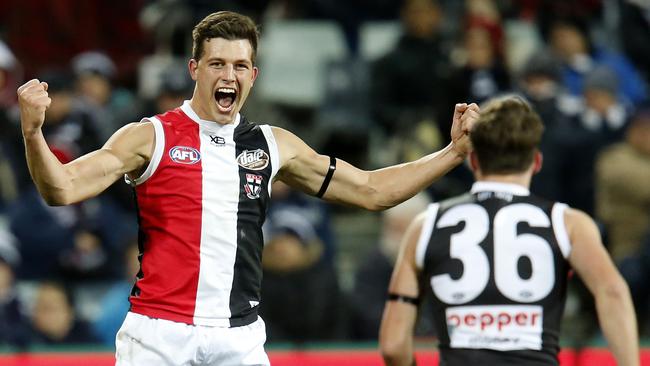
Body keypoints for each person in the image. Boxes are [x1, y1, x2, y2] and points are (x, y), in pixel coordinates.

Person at [17, 11, 478, 366]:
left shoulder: (274, 146)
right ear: (194, 68)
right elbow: (62, 189)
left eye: (240, 65)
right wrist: (34, 134)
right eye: (217, 63)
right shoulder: (149, 136)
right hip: (159, 337)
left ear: (253, 76)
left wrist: (453, 153)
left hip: (238, 339)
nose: (229, 75)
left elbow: (373, 191)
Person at [379, 95, 638, 366]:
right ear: (536, 162)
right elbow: (613, 293)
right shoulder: (568, 223)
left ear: (475, 161)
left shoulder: (426, 225)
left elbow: (394, 345)